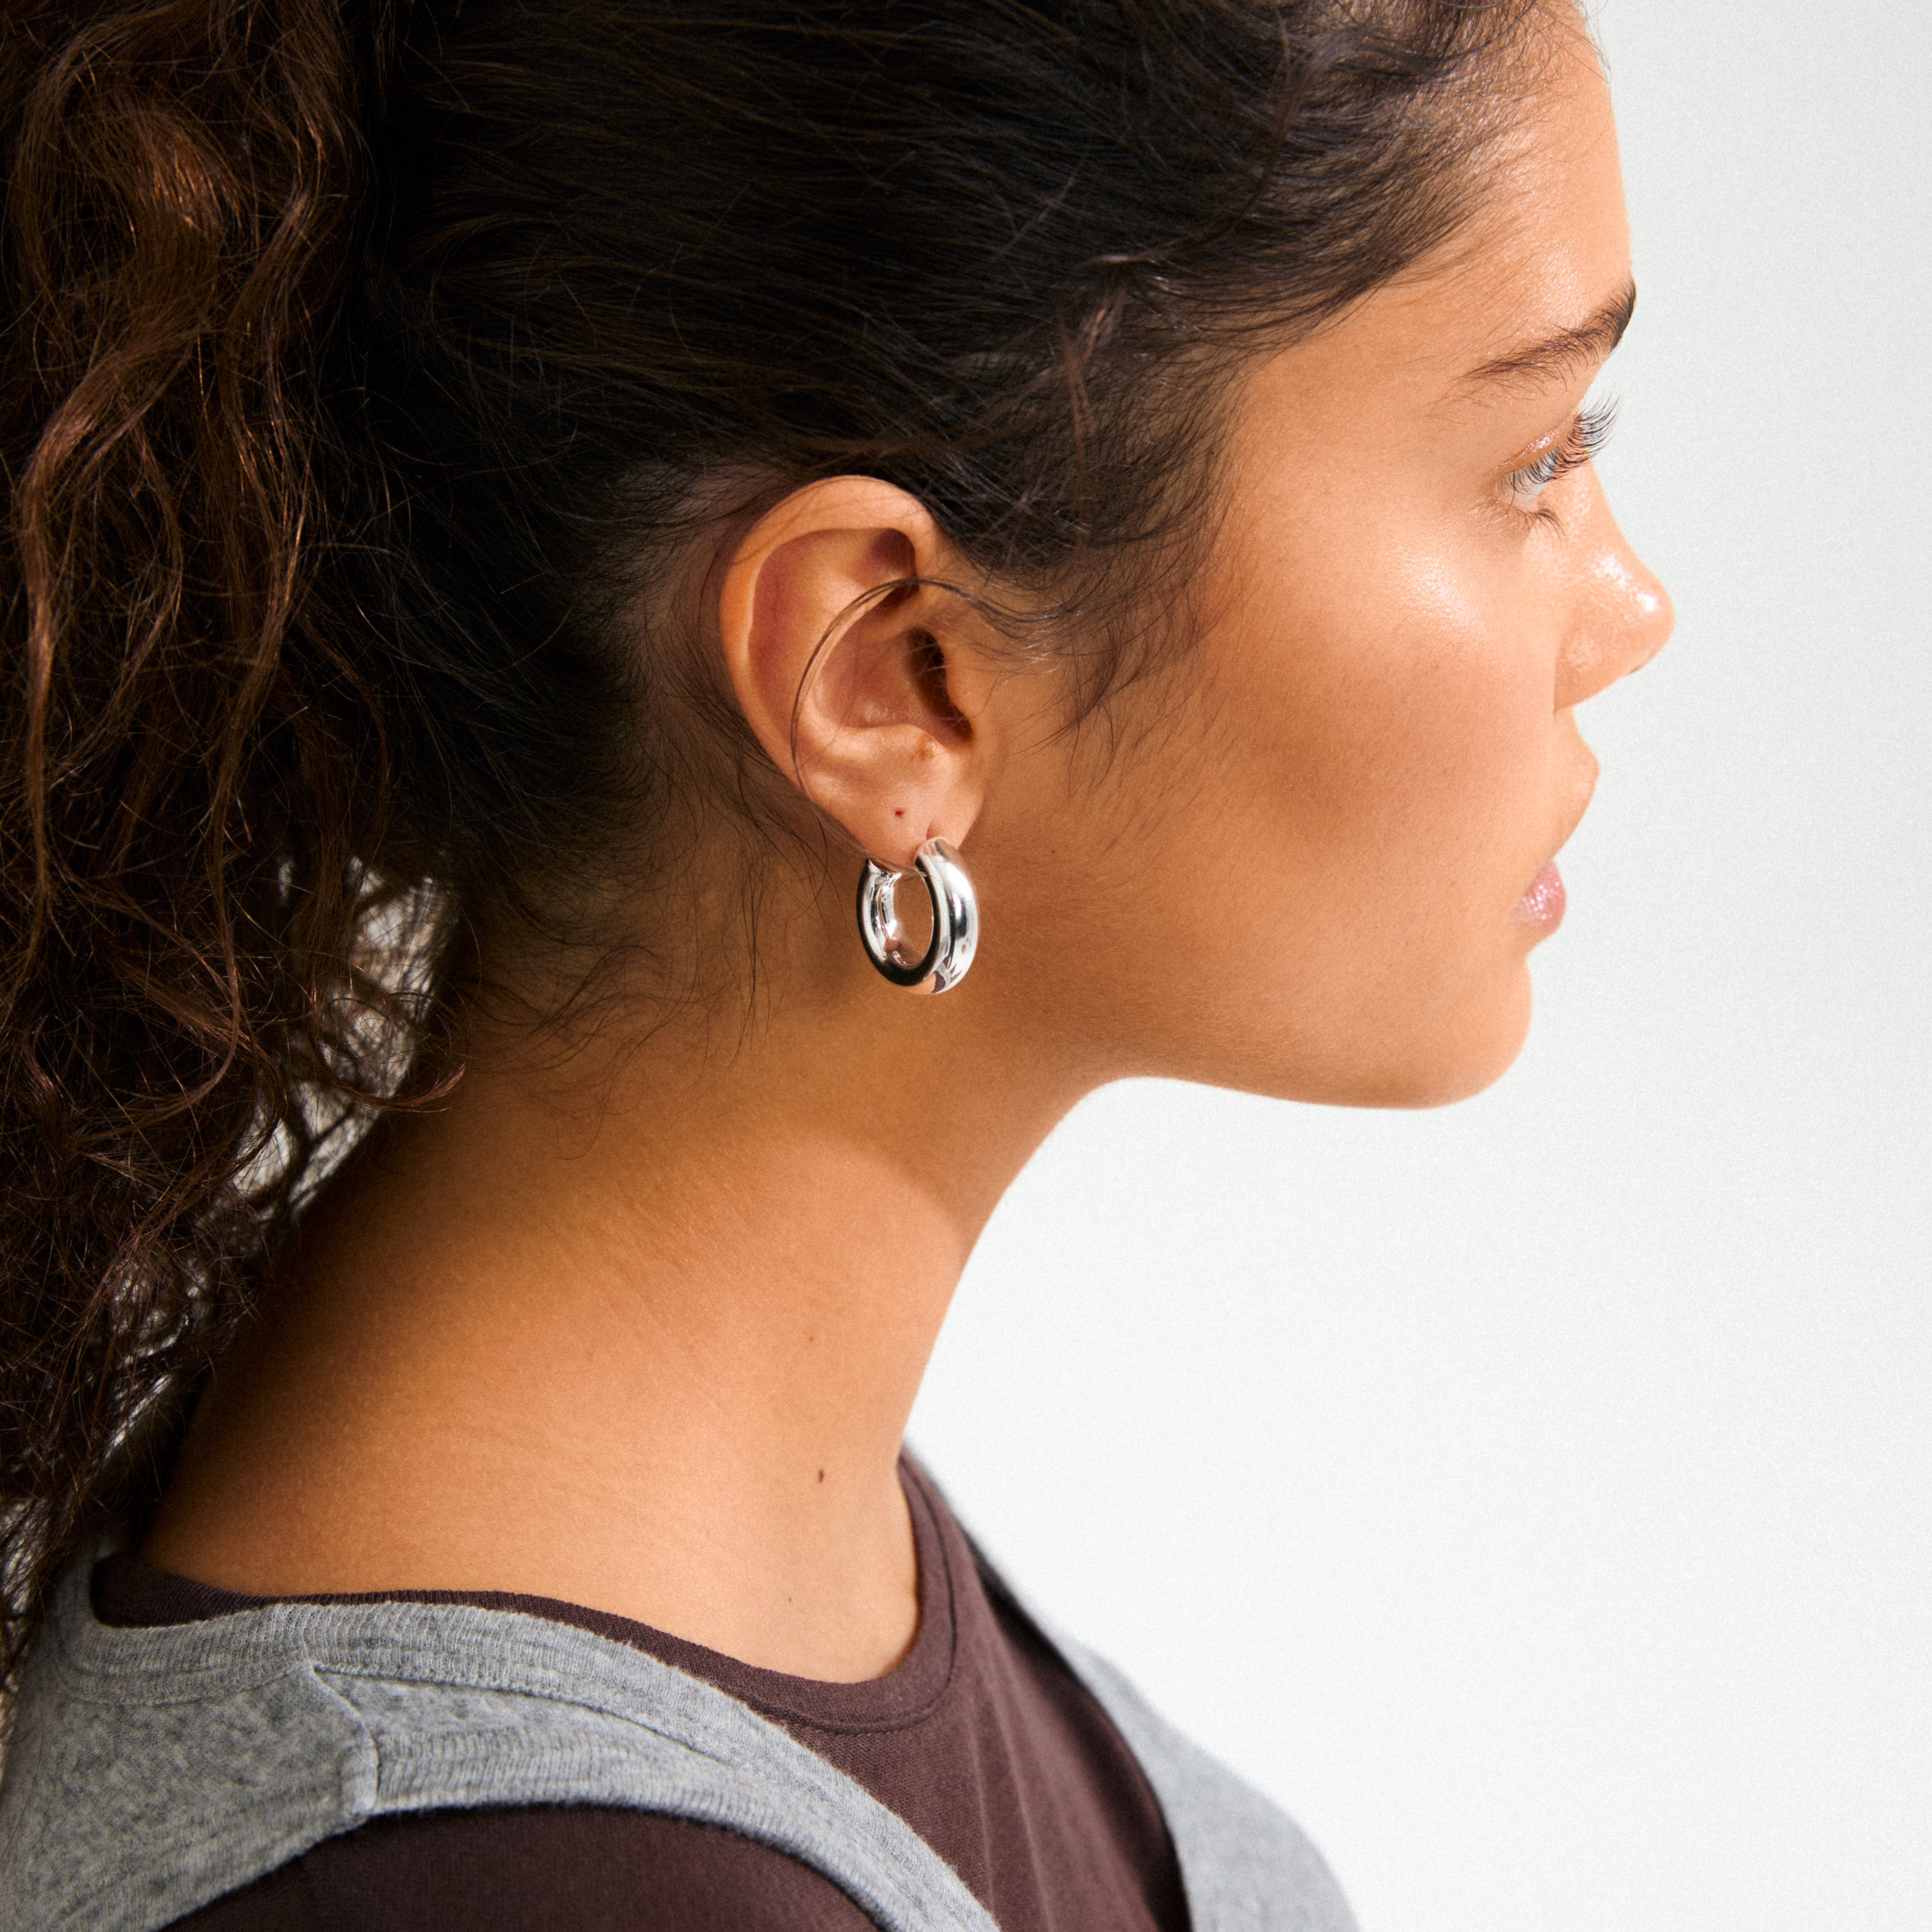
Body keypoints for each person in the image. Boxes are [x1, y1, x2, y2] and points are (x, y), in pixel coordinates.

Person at [0, 0, 1672, 1925]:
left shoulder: (710, 1590)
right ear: (893, 679)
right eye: (1536, 455)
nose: (1629, 607)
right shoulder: (525, 1878)